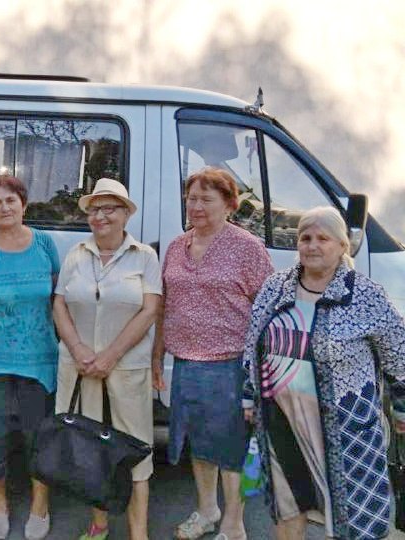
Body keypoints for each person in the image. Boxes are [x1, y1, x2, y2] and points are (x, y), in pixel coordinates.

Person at [242, 206, 405, 539]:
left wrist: (402, 407)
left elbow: (398, 353)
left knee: (351, 515)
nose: (313, 245)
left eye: (323, 238)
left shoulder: (365, 295)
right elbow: (253, 343)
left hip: (346, 427)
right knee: (289, 505)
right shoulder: (276, 287)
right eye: (305, 238)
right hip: (282, 420)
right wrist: (248, 395)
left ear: (342, 245)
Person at [152, 167, 273, 540]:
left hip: (230, 364)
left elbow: (268, 309)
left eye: (207, 199)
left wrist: (262, 368)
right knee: (197, 441)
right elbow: (165, 305)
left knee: (230, 446)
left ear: (230, 204)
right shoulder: (177, 246)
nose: (197, 206)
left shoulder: (247, 248)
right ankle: (207, 510)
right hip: (186, 362)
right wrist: (157, 355)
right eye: (192, 199)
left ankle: (234, 524)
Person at [53, 178, 161, 540]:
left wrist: (110, 356)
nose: (100, 216)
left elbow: (150, 310)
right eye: (94, 209)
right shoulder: (76, 254)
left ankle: (138, 533)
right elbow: (59, 304)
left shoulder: (145, 256)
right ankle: (98, 526)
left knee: (136, 451)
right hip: (80, 368)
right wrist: (79, 349)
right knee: (89, 452)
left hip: (126, 368)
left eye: (109, 208)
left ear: (126, 214)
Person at [0, 175, 60, 540]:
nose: (4, 208)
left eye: (11, 200)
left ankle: (39, 506)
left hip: (40, 359)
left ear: (24, 204)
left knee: (39, 437)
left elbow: (57, 300)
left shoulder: (45, 243)